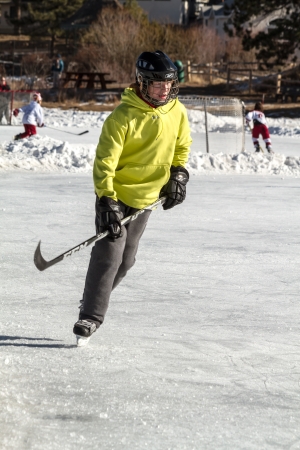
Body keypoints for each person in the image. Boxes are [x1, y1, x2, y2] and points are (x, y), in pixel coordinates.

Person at [73, 50, 192, 346]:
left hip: (146, 200)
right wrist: (106, 201)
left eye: (168, 83)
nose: (164, 89)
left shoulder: (177, 112)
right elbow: (104, 162)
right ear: (141, 82)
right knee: (109, 255)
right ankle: (91, 315)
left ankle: (92, 298)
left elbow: (181, 148)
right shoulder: (122, 117)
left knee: (126, 261)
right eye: (157, 83)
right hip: (117, 195)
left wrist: (178, 175)